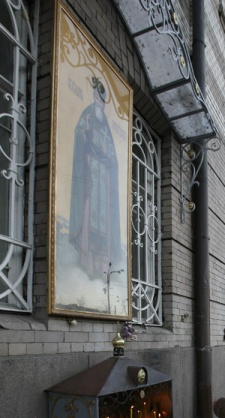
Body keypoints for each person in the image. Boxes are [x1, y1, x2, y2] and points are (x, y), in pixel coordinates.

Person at [69, 77, 121, 280]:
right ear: (93, 97)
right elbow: (80, 132)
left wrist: (108, 158)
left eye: (101, 100)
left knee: (104, 222)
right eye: (97, 98)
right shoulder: (89, 114)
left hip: (104, 179)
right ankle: (87, 261)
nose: (98, 102)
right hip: (91, 172)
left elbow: (112, 154)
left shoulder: (105, 124)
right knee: (89, 216)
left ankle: (102, 266)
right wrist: (85, 136)